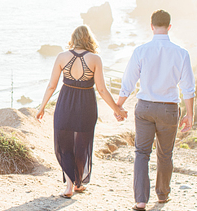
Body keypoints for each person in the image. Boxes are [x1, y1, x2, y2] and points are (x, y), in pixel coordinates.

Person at [116, 9, 196, 211]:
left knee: (142, 153)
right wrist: (190, 114)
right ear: (169, 27)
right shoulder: (181, 53)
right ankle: (162, 195)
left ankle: (141, 200)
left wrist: (118, 105)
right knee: (165, 154)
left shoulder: (141, 51)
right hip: (169, 109)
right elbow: (188, 88)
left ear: (151, 26)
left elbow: (128, 82)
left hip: (144, 107)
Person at [37, 25, 128, 198]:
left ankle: (70, 186)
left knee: (65, 144)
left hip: (65, 104)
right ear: (89, 39)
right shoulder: (95, 59)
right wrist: (117, 110)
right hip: (86, 105)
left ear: (73, 39)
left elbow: (51, 85)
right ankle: (78, 183)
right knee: (82, 144)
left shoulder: (62, 57)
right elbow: (101, 89)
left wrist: (41, 108)